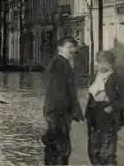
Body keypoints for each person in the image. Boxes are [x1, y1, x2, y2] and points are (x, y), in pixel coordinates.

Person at [85, 50, 124, 165]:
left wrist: (112, 106)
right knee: (93, 152)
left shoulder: (117, 79)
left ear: (112, 64)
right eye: (99, 62)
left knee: (107, 153)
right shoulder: (95, 77)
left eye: (105, 63)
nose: (101, 66)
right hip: (93, 118)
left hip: (109, 118)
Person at [42, 36, 84, 165]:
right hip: (58, 112)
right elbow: (59, 91)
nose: (72, 50)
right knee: (61, 148)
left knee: (57, 146)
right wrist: (69, 111)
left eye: (73, 47)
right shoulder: (59, 63)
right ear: (60, 48)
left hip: (56, 111)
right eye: (68, 47)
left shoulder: (62, 62)